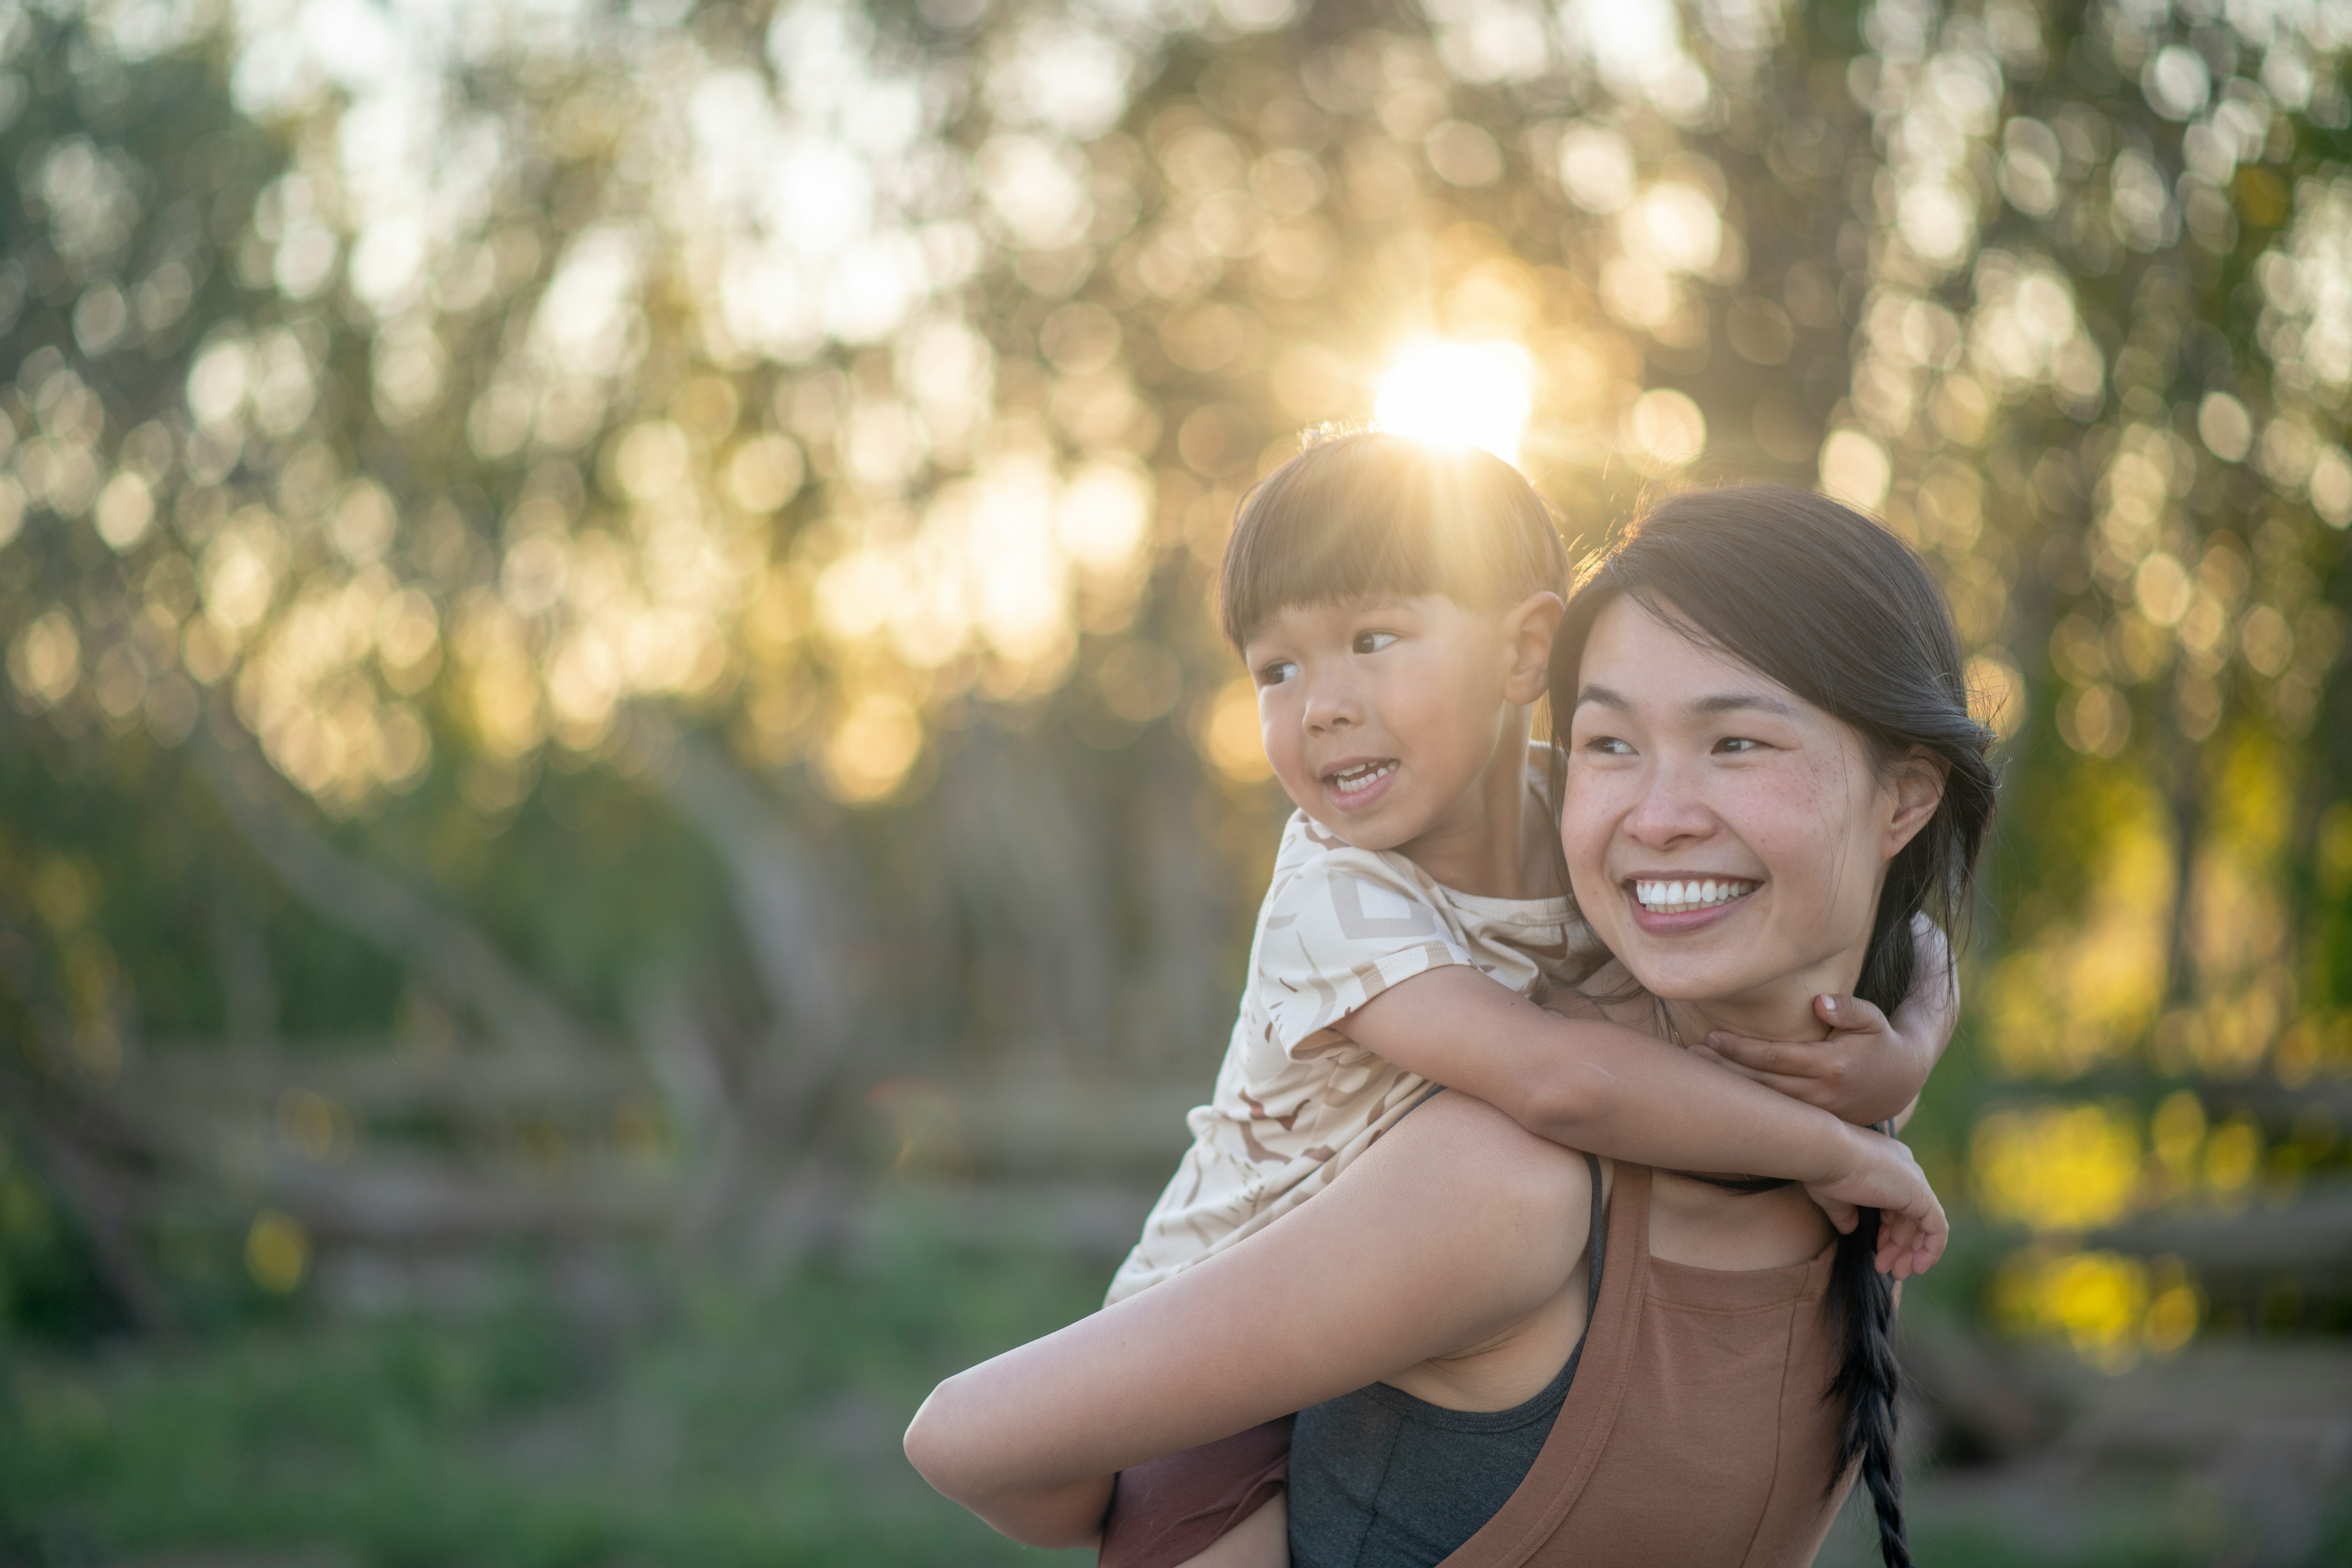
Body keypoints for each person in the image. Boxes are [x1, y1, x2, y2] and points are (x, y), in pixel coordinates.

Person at [907, 457, 1977, 1565]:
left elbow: (1926, 944)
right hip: (1212, 1371)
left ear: (1524, 653)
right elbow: (1560, 1081)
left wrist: (1902, 1053)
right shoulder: (1342, 900)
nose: (1322, 705)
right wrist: (1837, 1145)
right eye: (1275, 668)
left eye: (1736, 743)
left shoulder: (1576, 810)